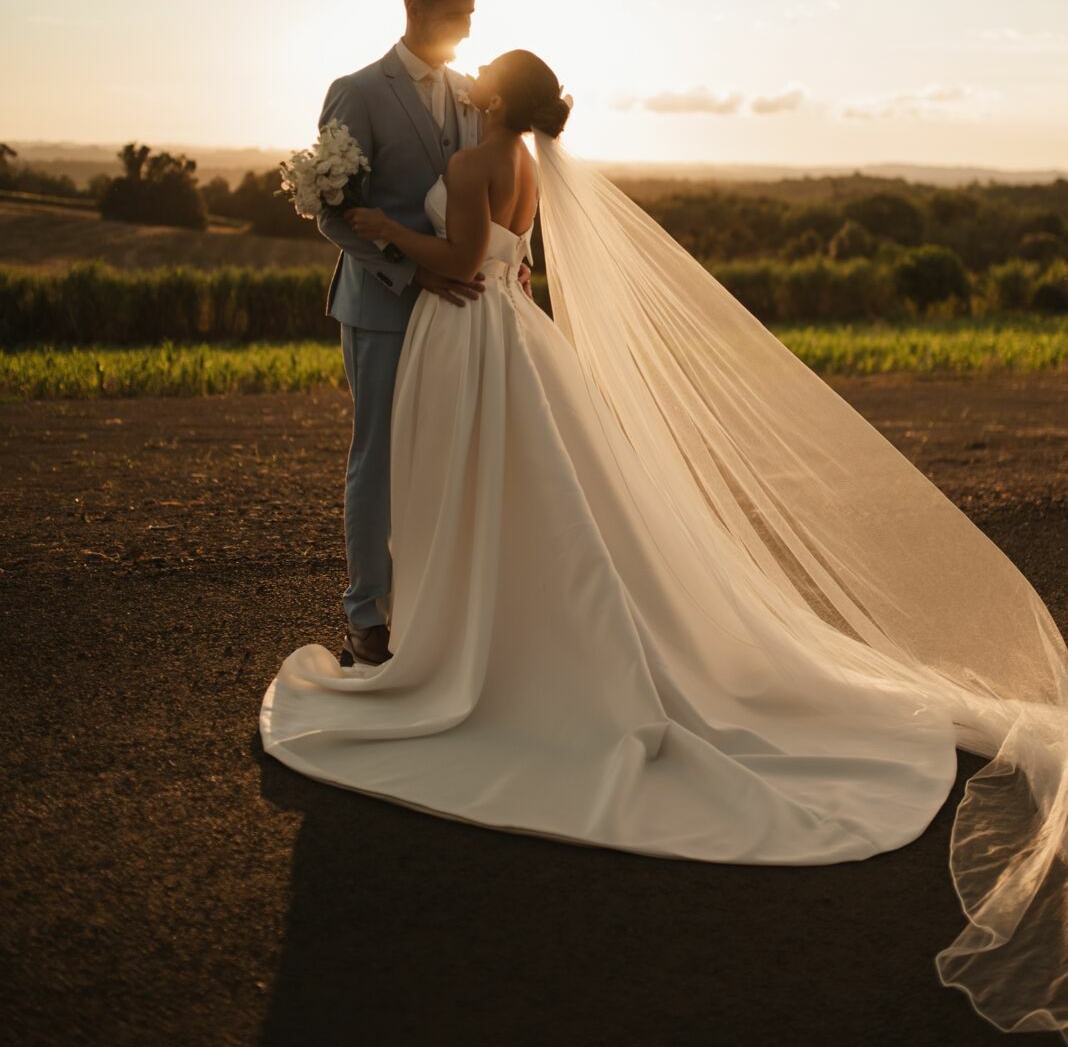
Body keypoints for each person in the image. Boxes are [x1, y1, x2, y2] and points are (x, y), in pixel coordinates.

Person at [262, 59, 1067, 1039]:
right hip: (519, 332)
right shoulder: (521, 159)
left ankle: (479, 644)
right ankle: (506, 620)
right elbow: (517, 263)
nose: (468, 78)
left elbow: (461, 260)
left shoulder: (477, 160)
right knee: (536, 501)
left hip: (469, 338)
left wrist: (384, 231)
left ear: (497, 99)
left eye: (485, 73)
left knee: (475, 496)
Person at [313, 0, 533, 669]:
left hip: (464, 313)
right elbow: (334, 214)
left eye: (472, 15)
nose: (466, 30)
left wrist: (512, 264)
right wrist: (414, 271)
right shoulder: (357, 91)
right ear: (412, 6)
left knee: (449, 461)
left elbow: (502, 197)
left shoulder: (477, 93)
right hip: (382, 306)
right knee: (377, 459)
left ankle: (437, 609)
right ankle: (367, 618)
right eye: (453, 14)